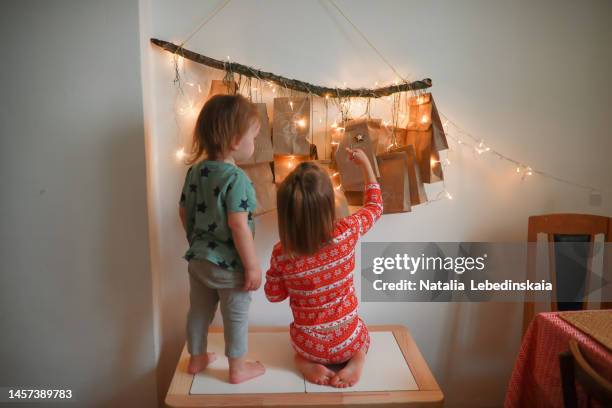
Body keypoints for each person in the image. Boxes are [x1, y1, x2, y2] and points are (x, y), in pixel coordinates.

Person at [264, 149, 383, 387]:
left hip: (308, 344)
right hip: (347, 338)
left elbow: (273, 295)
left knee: (298, 349)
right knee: (363, 337)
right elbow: (375, 207)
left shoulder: (282, 253)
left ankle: (305, 362)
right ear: (329, 205)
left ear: (285, 216)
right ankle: (357, 358)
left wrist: (283, 275)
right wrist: (366, 165)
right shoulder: (347, 231)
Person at [179, 94, 265, 383]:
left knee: (199, 310)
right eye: (253, 137)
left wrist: (195, 241)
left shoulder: (195, 172)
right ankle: (237, 369)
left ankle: (196, 357)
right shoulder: (236, 178)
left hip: (199, 260)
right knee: (236, 316)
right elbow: (238, 225)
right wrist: (252, 266)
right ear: (235, 141)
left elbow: (183, 211)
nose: (255, 145)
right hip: (230, 266)